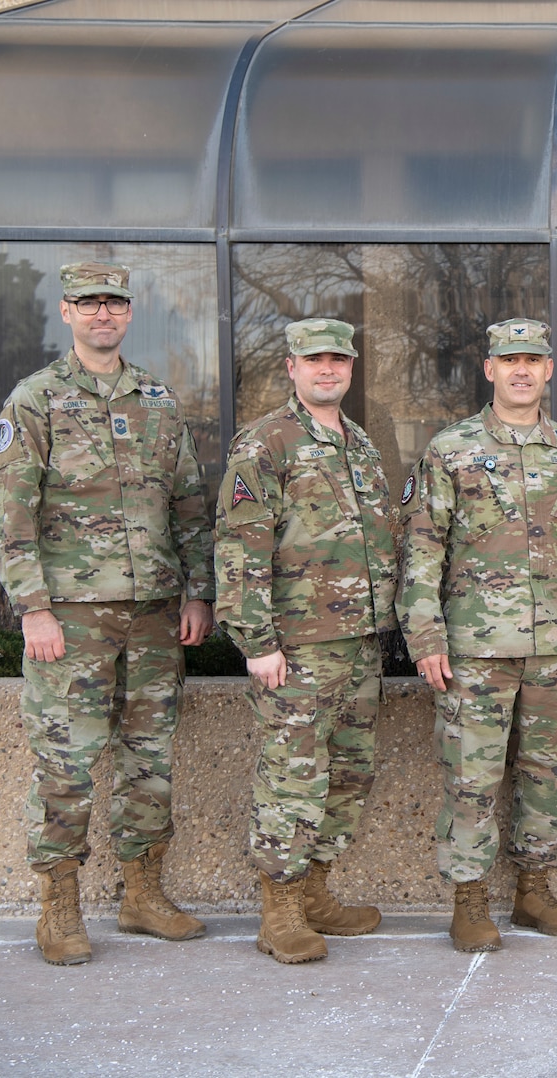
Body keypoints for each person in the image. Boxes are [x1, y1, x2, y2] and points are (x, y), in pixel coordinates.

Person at [0, 261, 213, 966]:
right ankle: (59, 907)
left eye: (114, 302)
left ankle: (142, 894)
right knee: (67, 763)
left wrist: (198, 590)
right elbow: (11, 516)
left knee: (149, 761)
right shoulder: (36, 400)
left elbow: (188, 503)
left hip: (152, 614)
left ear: (129, 312)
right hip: (71, 619)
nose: (103, 314)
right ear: (66, 312)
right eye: (89, 303)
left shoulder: (157, 397)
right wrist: (33, 609)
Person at [399, 318, 557, 953]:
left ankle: (533, 890)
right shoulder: (452, 448)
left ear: (550, 371)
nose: (521, 370)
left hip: (555, 644)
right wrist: (426, 637)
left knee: (547, 771)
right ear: (489, 369)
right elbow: (420, 549)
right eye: (509, 360)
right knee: (472, 774)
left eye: (533, 360)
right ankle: (469, 901)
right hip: (475, 646)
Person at [215, 317, 396, 965]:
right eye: (313, 359)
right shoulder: (265, 444)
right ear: (290, 366)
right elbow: (240, 548)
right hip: (294, 649)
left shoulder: (360, 445)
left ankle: (317, 889)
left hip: (358, 645)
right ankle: (280, 910)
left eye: (338, 360)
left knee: (348, 774)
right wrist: (257, 640)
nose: (327, 369)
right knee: (293, 777)